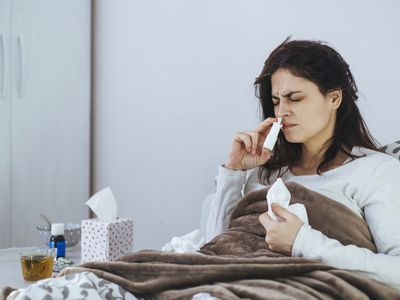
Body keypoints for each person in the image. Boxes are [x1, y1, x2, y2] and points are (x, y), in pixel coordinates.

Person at [200, 38, 400, 290]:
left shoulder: (376, 172)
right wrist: (234, 172)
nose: (282, 111)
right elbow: (215, 253)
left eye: (294, 98)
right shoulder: (267, 173)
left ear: (334, 98)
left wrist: (302, 241)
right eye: (275, 101)